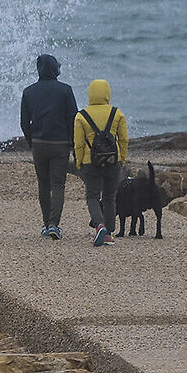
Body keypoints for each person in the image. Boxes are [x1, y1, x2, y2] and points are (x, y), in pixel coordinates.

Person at [19, 53, 78, 239]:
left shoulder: (28, 92)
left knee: (43, 184)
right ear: (54, 69)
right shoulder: (65, 90)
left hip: (39, 144)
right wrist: (74, 144)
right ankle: (54, 224)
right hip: (60, 144)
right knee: (58, 184)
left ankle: (46, 224)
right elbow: (73, 119)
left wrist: (31, 141)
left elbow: (24, 122)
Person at [73, 78, 129, 246]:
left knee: (92, 196)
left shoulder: (81, 116)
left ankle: (99, 225)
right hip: (113, 162)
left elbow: (78, 144)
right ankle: (109, 234)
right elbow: (124, 140)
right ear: (107, 94)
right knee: (110, 197)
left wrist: (79, 162)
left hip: (90, 162)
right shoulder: (117, 113)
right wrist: (122, 158)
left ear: (90, 94)